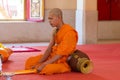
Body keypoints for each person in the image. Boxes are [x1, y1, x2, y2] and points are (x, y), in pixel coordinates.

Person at [25, 8, 78, 75]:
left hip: (64, 61)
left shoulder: (69, 32)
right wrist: (39, 62)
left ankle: (64, 68)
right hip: (53, 56)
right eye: (49, 19)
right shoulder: (55, 31)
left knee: (46, 69)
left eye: (51, 19)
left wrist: (44, 64)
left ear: (59, 17)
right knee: (29, 62)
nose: (49, 21)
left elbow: (61, 54)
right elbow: (49, 48)